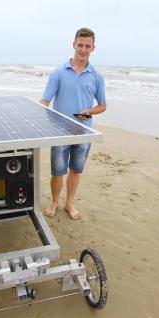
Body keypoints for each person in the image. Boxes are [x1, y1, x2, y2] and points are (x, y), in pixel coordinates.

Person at [40, 27, 106, 220]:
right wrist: (39, 117)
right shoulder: (58, 72)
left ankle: (69, 203)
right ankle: (54, 201)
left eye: (87, 46)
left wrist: (90, 111)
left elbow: (102, 105)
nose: (83, 49)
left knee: (76, 170)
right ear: (74, 45)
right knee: (57, 172)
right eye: (80, 45)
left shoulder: (97, 76)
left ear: (93, 48)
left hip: (84, 132)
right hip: (59, 132)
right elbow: (45, 101)